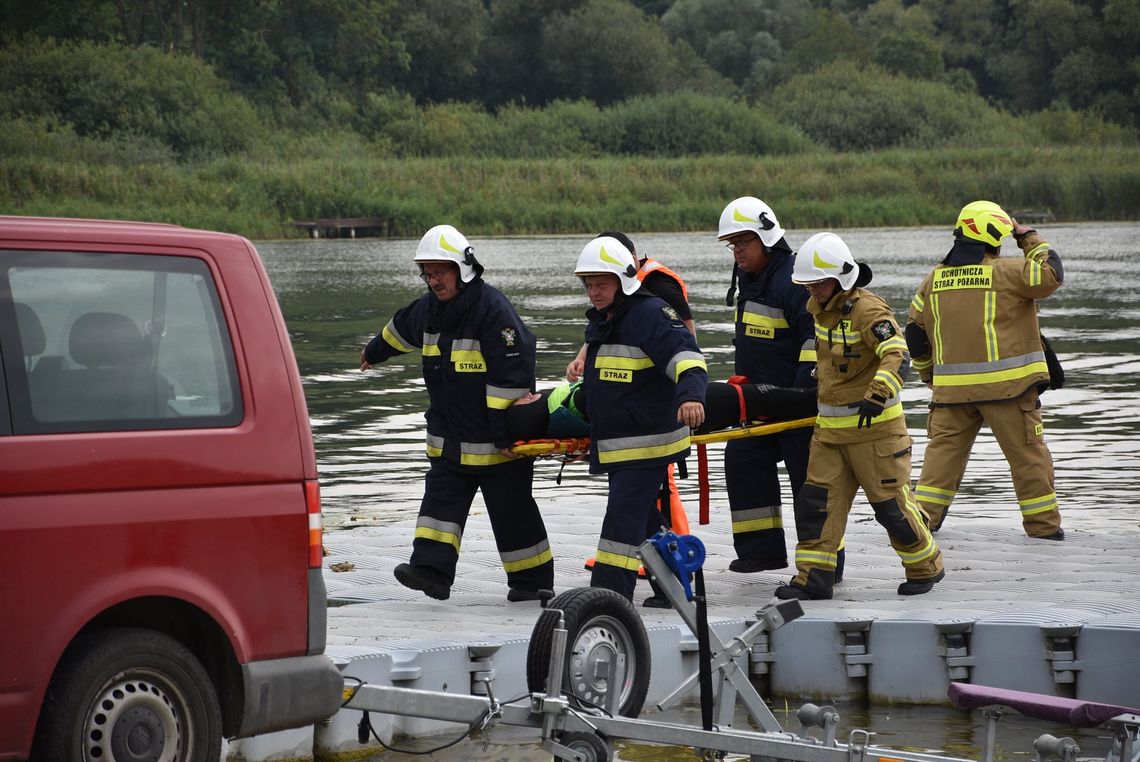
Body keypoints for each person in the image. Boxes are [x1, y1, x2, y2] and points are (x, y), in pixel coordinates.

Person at [360, 224, 555, 602]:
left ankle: (533, 584)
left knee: (512, 513)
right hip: (451, 439)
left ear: (462, 268)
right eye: (427, 273)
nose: (433, 281)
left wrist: (506, 437)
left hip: (497, 445)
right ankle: (431, 572)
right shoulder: (430, 310)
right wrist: (374, 351)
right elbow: (401, 329)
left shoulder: (493, 311)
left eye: (439, 272)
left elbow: (512, 378)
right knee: (440, 503)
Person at [778, 232, 944, 600]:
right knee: (816, 507)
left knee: (892, 509)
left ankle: (925, 565)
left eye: (817, 284)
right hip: (831, 435)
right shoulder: (817, 309)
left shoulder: (869, 310)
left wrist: (879, 391)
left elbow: (896, 352)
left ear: (840, 278)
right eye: (807, 285)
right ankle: (813, 577)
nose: (812, 291)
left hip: (875, 433)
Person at [905, 201, 1064, 539]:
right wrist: (1028, 237)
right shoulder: (1008, 272)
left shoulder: (933, 280)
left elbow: (914, 334)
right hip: (1010, 392)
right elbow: (1052, 274)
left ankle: (920, 527)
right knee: (1028, 459)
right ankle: (1044, 530)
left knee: (938, 469)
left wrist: (928, 375)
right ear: (993, 235)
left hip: (950, 395)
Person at [572, 234, 708, 603]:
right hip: (619, 439)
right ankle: (675, 586)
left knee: (622, 519)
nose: (594, 292)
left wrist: (692, 397)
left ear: (624, 280)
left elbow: (688, 358)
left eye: (601, 283)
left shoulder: (652, 314)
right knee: (647, 521)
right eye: (589, 284)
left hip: (648, 440)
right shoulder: (605, 318)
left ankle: (607, 597)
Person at [715, 197, 831, 576]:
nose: (737, 253)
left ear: (766, 239)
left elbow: (813, 342)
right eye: (732, 245)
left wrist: (801, 397)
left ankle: (824, 562)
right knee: (742, 460)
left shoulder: (793, 280)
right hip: (758, 401)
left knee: (808, 483)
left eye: (743, 244)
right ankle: (761, 551)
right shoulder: (751, 280)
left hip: (798, 404)